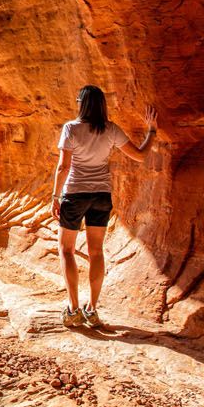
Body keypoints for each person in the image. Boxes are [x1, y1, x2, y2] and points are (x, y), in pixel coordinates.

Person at [51, 85, 157, 328]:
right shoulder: (111, 129)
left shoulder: (71, 128)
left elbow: (63, 168)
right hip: (101, 195)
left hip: (75, 194)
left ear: (81, 103)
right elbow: (140, 156)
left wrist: (55, 197)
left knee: (66, 250)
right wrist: (152, 131)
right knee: (96, 252)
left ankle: (73, 309)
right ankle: (92, 310)